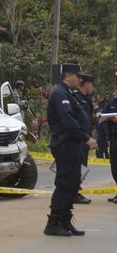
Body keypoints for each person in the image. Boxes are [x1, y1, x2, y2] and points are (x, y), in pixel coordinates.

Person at [43, 63, 96, 237]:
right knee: (65, 183)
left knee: (73, 183)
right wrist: (86, 138)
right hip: (65, 144)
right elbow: (68, 121)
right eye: (77, 76)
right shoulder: (60, 94)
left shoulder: (68, 93)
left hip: (73, 145)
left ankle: (65, 220)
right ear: (67, 76)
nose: (79, 79)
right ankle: (53, 222)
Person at [72, 74, 97, 204]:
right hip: (79, 137)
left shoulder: (87, 99)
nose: (93, 88)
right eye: (92, 85)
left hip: (86, 137)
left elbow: (87, 117)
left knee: (83, 165)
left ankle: (77, 190)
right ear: (86, 84)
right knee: (77, 165)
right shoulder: (75, 96)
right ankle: (74, 192)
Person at [102, 85, 117, 203]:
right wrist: (111, 118)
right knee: (114, 166)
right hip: (113, 139)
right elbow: (102, 115)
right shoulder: (111, 104)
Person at [96, 94, 110, 159]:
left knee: (104, 146)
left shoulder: (101, 109)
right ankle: (102, 156)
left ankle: (105, 155)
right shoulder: (103, 116)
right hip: (102, 135)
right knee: (102, 146)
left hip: (101, 135)